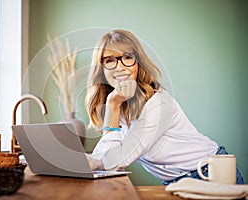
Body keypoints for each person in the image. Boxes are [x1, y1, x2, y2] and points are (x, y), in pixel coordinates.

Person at [85, 29, 245, 185]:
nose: (119, 67)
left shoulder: (159, 103)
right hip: (177, 181)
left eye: (127, 57)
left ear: (138, 63)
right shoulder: (119, 104)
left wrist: (113, 103)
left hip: (209, 173)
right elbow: (105, 156)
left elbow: (116, 160)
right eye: (109, 60)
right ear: (101, 69)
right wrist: (83, 162)